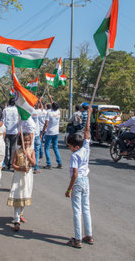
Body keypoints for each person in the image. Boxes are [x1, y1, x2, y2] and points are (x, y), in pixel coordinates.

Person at [65, 105, 93, 249]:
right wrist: (89, 115)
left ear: (75, 146)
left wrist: (69, 189)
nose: (69, 148)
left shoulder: (75, 156)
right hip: (86, 181)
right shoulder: (85, 148)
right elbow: (87, 131)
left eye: (70, 146)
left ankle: (77, 238)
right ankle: (88, 234)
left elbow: (74, 175)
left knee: (77, 210)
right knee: (86, 208)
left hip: (77, 182)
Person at [7, 133, 36, 232]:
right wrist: (21, 168)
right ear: (20, 142)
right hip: (18, 176)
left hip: (27, 177)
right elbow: (13, 164)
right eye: (25, 141)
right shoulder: (17, 151)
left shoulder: (32, 151)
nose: (27, 143)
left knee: (25, 195)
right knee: (17, 195)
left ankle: (20, 214)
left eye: (28, 141)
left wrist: (27, 155)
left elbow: (34, 163)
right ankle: (16, 220)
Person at [41, 95, 62, 169]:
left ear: (52, 107)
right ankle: (59, 163)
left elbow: (46, 123)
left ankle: (49, 163)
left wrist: (42, 132)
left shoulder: (49, 113)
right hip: (56, 132)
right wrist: (51, 98)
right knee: (55, 148)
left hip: (49, 132)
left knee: (46, 148)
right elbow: (54, 104)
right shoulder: (58, 112)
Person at [3, 98, 19, 170]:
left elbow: (3, 120)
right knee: (13, 148)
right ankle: (12, 164)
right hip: (14, 131)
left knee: (6, 147)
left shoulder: (5, 110)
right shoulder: (17, 110)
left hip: (6, 131)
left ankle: (6, 163)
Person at [31, 101, 43, 174]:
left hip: (30, 133)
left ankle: (29, 165)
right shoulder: (37, 112)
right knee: (37, 151)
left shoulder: (28, 112)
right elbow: (41, 108)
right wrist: (40, 101)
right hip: (37, 133)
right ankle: (36, 167)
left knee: (30, 150)